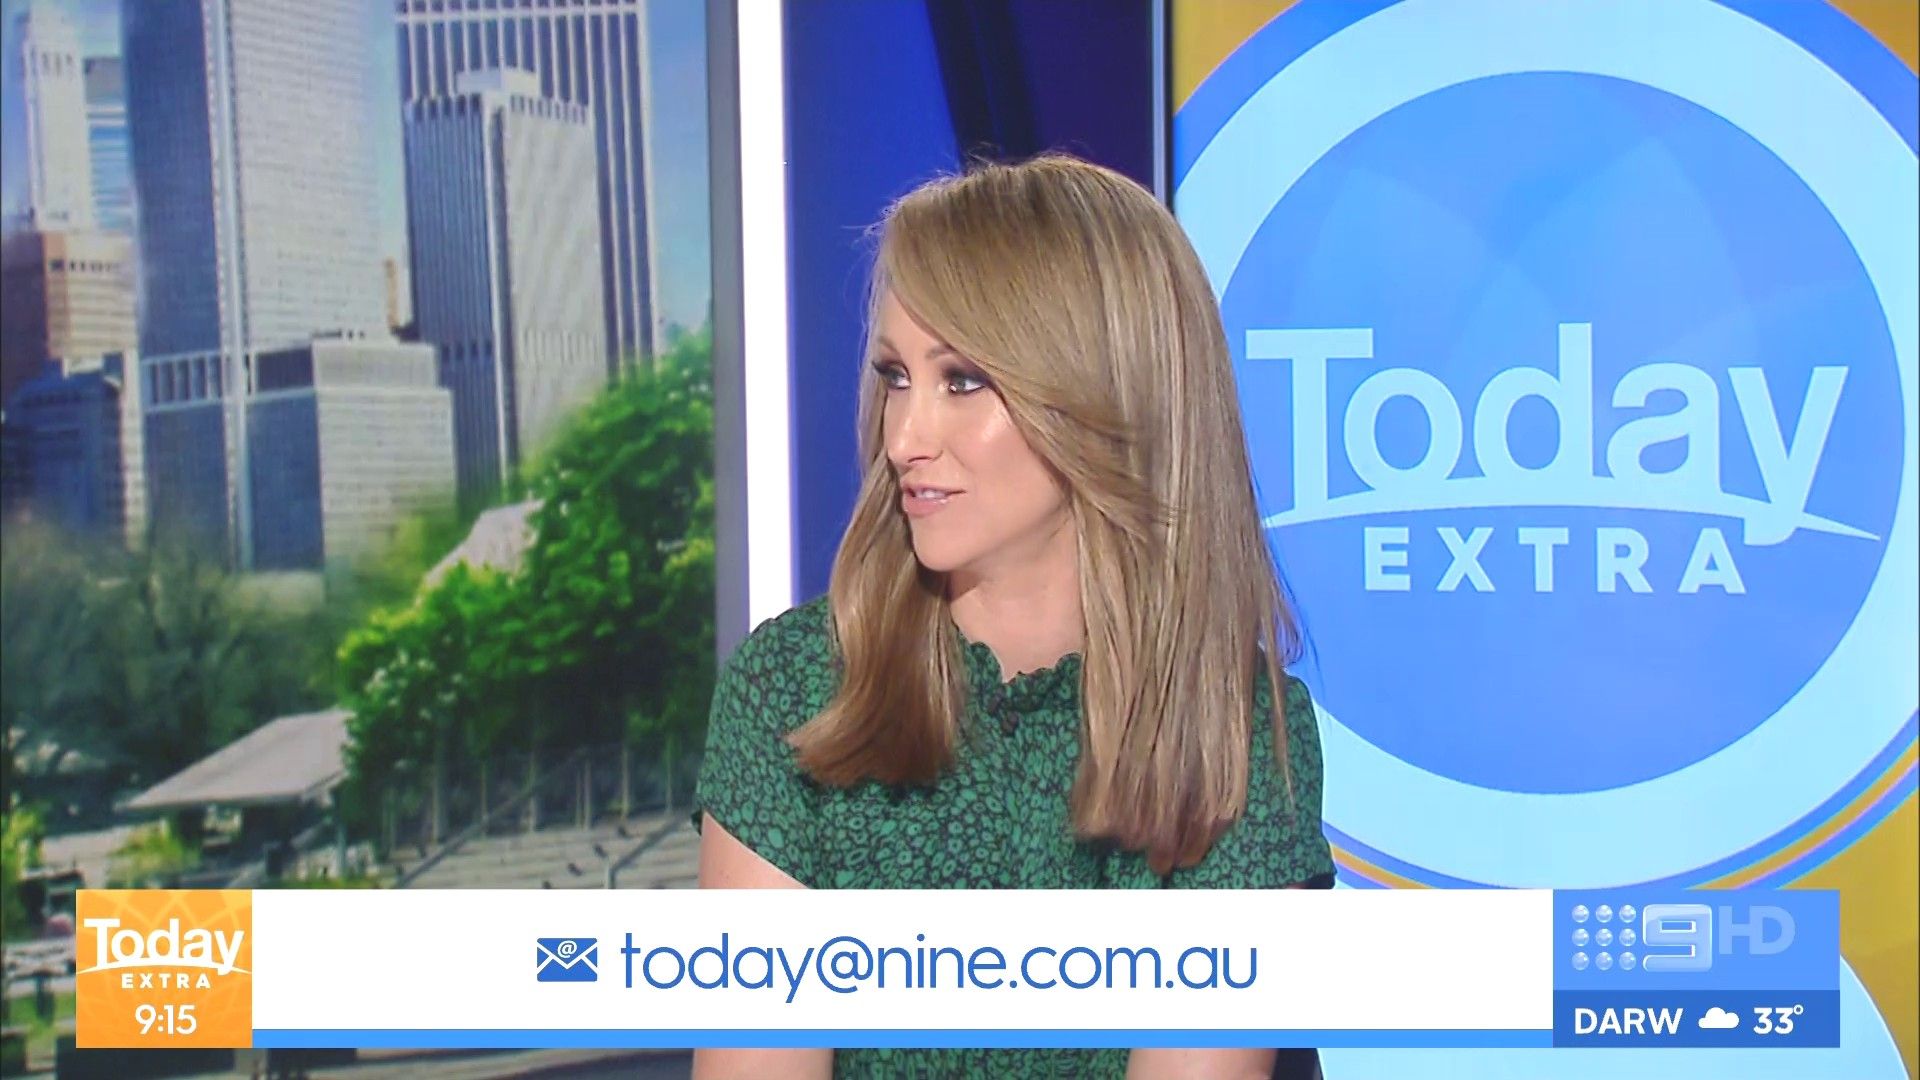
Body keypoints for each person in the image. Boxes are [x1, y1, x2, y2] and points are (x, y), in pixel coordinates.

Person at [691, 153, 1334, 1080]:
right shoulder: (793, 694)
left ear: (1103, 397)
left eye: (961, 380)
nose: (904, 438)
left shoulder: (1236, 728)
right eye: (895, 376)